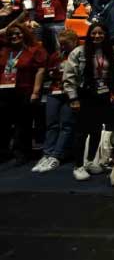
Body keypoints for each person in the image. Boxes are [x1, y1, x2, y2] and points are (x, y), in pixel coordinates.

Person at [62, 22, 114, 180]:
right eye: (94, 33)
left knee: (96, 131)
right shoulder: (78, 52)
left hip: (103, 95)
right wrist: (73, 98)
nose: (97, 36)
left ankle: (90, 162)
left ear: (105, 35)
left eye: (100, 33)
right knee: (81, 132)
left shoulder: (110, 52)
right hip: (84, 95)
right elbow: (69, 77)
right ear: (88, 35)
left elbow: (113, 74)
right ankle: (78, 166)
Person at [32, 29, 79, 173]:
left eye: (66, 43)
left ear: (75, 41)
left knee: (66, 124)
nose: (63, 46)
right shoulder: (56, 55)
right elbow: (49, 72)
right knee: (51, 124)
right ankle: (47, 154)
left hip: (69, 93)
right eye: (61, 43)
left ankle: (56, 155)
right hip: (54, 91)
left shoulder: (79, 54)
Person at [0, 23, 47, 165]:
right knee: (3, 123)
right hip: (4, 91)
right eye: (11, 34)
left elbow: (41, 70)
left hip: (24, 91)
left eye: (18, 33)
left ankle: (22, 153)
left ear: (25, 33)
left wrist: (36, 91)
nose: (14, 36)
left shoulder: (35, 49)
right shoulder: (5, 50)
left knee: (23, 124)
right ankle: (3, 152)